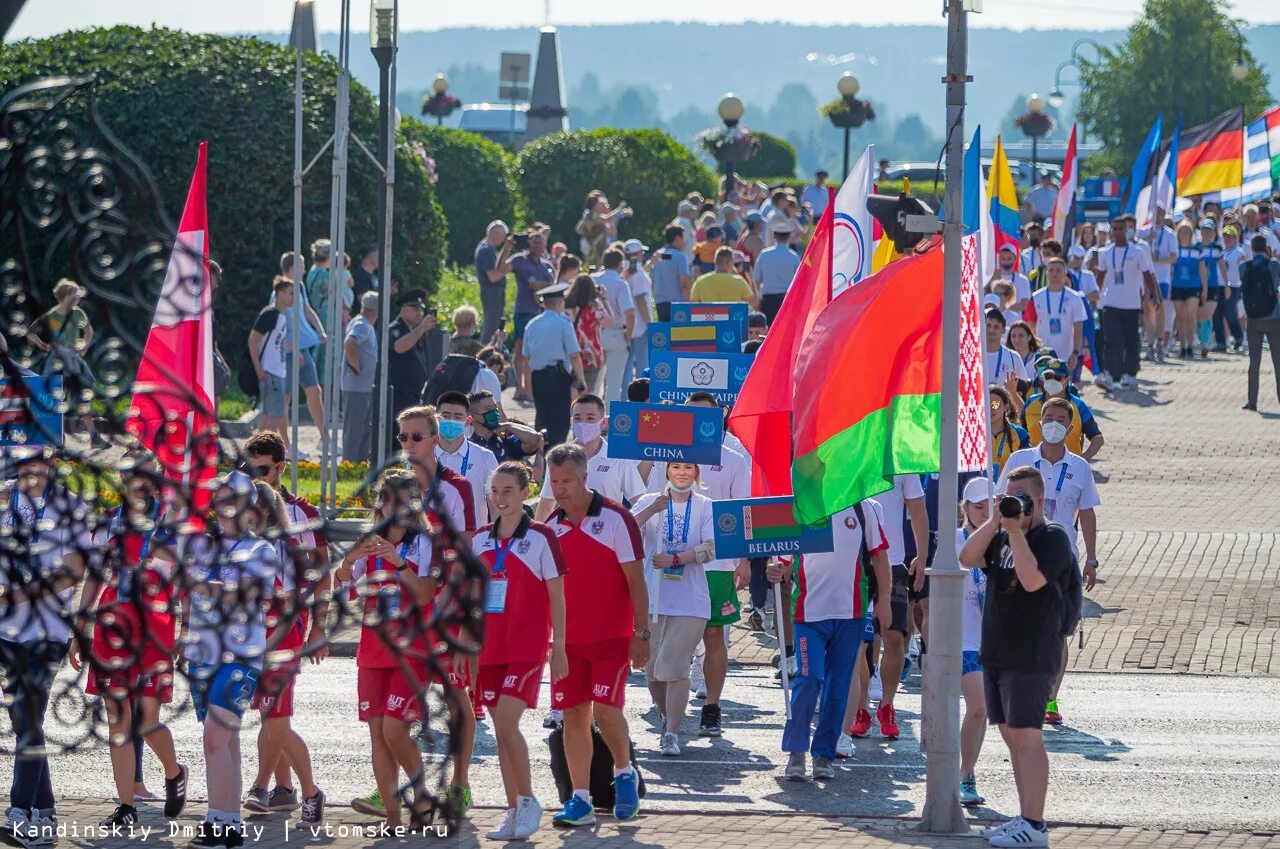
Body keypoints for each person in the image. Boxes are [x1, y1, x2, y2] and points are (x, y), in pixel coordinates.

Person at [959, 467, 1075, 849]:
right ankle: (1025, 817)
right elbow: (966, 556)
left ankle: (1036, 826)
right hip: (998, 650)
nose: (1015, 506)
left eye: (1022, 499)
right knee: (1011, 736)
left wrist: (1013, 531)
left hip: (1032, 652)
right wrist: (995, 521)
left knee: (1028, 736)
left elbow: (1031, 580)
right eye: (1009, 497)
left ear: (1039, 501)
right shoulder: (1003, 532)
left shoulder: (1052, 537)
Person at [72, 449, 188, 829]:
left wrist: (184, 631)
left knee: (145, 721)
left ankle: (174, 772)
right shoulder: (108, 523)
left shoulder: (169, 522)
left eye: (144, 475)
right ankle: (126, 806)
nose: (136, 482)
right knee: (117, 719)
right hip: (112, 625)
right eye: (129, 475)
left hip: (154, 626)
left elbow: (182, 581)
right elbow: (93, 575)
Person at [543, 445, 648, 827]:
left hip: (611, 639)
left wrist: (642, 632)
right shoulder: (550, 527)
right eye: (554, 481)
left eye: (567, 480)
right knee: (573, 715)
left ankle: (624, 774)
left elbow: (636, 579)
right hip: (568, 644)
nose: (560, 489)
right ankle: (581, 798)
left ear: (585, 477)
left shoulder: (617, 518)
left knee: (605, 711)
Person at [334, 472, 440, 829]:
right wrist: (348, 562)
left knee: (396, 730)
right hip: (374, 649)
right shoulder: (370, 540)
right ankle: (394, 817)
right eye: (387, 500)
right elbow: (343, 587)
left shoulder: (426, 543)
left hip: (413, 652)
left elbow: (425, 594)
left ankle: (422, 796)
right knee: (378, 734)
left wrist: (399, 562)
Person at [182, 472, 280, 848]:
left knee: (213, 739)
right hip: (202, 653)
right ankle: (229, 822)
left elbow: (240, 596)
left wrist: (201, 583)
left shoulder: (261, 551)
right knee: (225, 742)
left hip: (240, 657)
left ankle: (215, 821)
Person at [472, 463, 569, 840]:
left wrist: (558, 646)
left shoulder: (542, 537)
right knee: (499, 730)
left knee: (508, 723)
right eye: (495, 490)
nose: (500, 498)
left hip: (526, 648)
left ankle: (528, 801)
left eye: (508, 490)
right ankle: (512, 808)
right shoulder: (480, 539)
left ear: (525, 493)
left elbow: (557, 596)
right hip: (488, 648)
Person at [0, 447, 91, 845]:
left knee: (29, 713)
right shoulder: (6, 502)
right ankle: (46, 810)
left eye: (36, 462)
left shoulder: (69, 505)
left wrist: (25, 596)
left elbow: (75, 570)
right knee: (25, 721)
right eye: (20, 463)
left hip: (48, 630)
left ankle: (20, 809)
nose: (28, 469)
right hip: (7, 630)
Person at [242, 433, 328, 825]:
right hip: (250, 630)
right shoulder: (241, 511)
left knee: (275, 716)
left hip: (285, 628)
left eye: (262, 469)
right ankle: (291, 791)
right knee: (270, 716)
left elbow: (321, 574)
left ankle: (263, 786)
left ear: (281, 466)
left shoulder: (301, 513)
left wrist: (319, 628)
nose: (254, 476)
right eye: (249, 468)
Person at [772, 496, 890, 776]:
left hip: (850, 614)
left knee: (839, 685)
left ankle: (823, 754)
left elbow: (880, 556)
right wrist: (776, 570)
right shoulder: (800, 506)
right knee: (809, 677)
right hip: (808, 614)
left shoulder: (865, 508)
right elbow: (782, 561)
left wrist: (884, 600)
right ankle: (796, 751)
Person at [999, 397, 1099, 726]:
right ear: (1038, 423)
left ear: (1070, 428)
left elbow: (1086, 512)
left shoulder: (1080, 468)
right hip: (1020, 555)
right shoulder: (1021, 460)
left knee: (1057, 634)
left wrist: (1092, 560)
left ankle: (1050, 698)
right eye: (1048, 418)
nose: (1053, 424)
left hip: (1062, 561)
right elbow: (1000, 502)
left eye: (1060, 419)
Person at [631, 463, 715, 757]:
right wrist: (652, 509)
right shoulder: (648, 501)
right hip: (651, 599)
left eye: (688, 467)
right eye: (675, 467)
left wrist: (677, 559)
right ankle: (668, 714)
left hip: (690, 600)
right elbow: (625, 532)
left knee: (675, 663)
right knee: (652, 670)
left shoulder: (705, 505)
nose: (681, 472)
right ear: (666, 471)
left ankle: (671, 732)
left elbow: (710, 547)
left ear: (696, 472)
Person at [855, 475, 926, 741]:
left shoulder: (900, 459)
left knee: (894, 637)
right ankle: (861, 708)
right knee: (860, 641)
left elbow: (918, 509)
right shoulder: (853, 452)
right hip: (857, 558)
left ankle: (887, 705)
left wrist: (921, 554)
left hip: (894, 560)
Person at [533, 394, 646, 522]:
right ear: (571, 422)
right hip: (568, 534)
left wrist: (626, 528)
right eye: (578, 418)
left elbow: (640, 501)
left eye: (590, 418)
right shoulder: (558, 458)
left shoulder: (619, 458)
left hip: (606, 535)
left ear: (603, 423)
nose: (583, 424)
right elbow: (546, 506)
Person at [24, 279, 107, 449]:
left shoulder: (78, 313)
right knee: (55, 399)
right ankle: (56, 437)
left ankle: (94, 436)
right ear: (65, 296)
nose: (77, 298)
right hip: (56, 362)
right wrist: (42, 345)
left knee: (83, 398)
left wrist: (84, 346)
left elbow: (88, 331)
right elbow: (30, 332)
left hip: (73, 362)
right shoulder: (51, 315)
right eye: (74, 295)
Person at [954, 477, 993, 806]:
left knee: (980, 711)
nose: (984, 512)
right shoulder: (952, 542)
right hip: (956, 641)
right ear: (965, 508)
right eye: (978, 506)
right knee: (970, 708)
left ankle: (966, 772)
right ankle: (955, 772)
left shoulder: (1004, 541)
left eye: (989, 506)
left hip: (989, 643)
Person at [1094, 217, 1157, 390]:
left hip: (1131, 304)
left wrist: (1153, 295)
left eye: (1121, 229)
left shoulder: (1137, 252)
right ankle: (1113, 375)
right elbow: (1100, 276)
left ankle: (1130, 373)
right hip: (1110, 302)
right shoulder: (1105, 252)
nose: (1117, 232)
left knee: (1131, 340)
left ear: (1127, 231)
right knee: (1114, 340)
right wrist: (1094, 296)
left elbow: (1147, 275)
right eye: (1114, 229)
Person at [522, 282, 589, 447]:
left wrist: (526, 384)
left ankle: (542, 453)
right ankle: (555, 456)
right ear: (560, 303)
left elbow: (526, 357)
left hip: (538, 377)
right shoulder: (563, 324)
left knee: (542, 418)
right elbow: (574, 355)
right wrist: (581, 380)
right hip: (558, 377)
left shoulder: (532, 324)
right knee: (559, 421)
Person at [276, 252, 329, 454]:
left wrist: (320, 331)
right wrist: (291, 347)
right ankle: (286, 446)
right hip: (288, 351)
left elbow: (307, 310)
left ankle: (325, 439)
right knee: (285, 397)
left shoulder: (299, 287)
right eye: (302, 266)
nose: (305, 270)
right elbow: (279, 326)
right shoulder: (280, 292)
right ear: (291, 269)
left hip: (303, 348)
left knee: (315, 391)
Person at [434, 391, 499, 524]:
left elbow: (495, 506)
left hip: (472, 540)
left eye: (458, 417)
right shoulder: (423, 456)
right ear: (435, 419)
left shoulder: (485, 457)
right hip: (431, 541)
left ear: (468, 421)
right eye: (445, 416)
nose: (451, 421)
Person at [1022, 359, 1104, 460]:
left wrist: (1084, 458)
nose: (1052, 380)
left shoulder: (1078, 405)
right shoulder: (1031, 402)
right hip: (1036, 465)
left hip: (1069, 467)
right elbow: (1019, 434)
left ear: (1067, 380)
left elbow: (1097, 438)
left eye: (1057, 377)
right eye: (1048, 377)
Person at [510, 229, 557, 403]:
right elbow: (501, 269)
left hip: (540, 312)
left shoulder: (547, 265)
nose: (538, 245)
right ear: (529, 242)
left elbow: (552, 286)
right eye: (535, 241)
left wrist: (539, 285)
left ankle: (529, 389)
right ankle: (519, 387)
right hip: (523, 310)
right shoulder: (520, 260)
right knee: (520, 349)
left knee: (533, 351)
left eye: (541, 242)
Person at [248, 279, 294, 452]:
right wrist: (259, 368)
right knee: (277, 414)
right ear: (279, 293)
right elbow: (253, 341)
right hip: (270, 372)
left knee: (268, 415)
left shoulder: (281, 316)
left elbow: (277, 342)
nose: (294, 297)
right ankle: (263, 452)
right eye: (290, 293)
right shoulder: (270, 314)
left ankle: (254, 452)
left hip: (277, 371)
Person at [386, 288, 439, 430]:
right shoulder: (395, 329)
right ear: (403, 308)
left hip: (415, 394)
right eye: (414, 308)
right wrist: (420, 329)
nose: (419, 312)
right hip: (399, 395)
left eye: (421, 308)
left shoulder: (416, 331)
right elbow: (398, 346)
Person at [1240, 234, 1280, 411]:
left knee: (1254, 362)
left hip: (1253, 318)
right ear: (1266, 248)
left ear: (1252, 249)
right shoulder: (1274, 265)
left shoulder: (1244, 267)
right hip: (1273, 317)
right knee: (1278, 361)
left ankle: (1252, 401)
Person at [593, 249, 637, 402]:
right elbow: (630, 313)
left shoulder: (592, 279)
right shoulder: (620, 284)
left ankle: (588, 418)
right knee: (613, 384)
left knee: (594, 383)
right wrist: (629, 335)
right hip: (616, 332)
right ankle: (609, 420)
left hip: (594, 332)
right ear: (620, 264)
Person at [1029, 258, 1086, 376]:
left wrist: (1075, 353)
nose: (1055, 274)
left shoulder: (1074, 298)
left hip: (1066, 354)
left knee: (1065, 391)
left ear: (1065, 273)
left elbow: (1078, 327)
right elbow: (1031, 325)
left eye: (1059, 270)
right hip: (1042, 355)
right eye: (1051, 270)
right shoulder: (1035, 297)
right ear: (1046, 273)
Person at [341, 292, 379, 463]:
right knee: (355, 430)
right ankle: (349, 465)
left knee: (363, 430)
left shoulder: (364, 323)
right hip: (356, 388)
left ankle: (360, 464)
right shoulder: (362, 324)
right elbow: (350, 342)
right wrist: (355, 365)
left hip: (362, 388)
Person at [467, 390, 544, 472]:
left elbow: (535, 439)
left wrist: (509, 426)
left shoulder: (505, 442)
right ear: (472, 416)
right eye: (488, 409)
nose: (494, 412)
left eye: (495, 408)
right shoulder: (467, 445)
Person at [563, 255, 609, 396]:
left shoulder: (566, 306)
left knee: (573, 386)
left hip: (570, 351)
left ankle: (571, 411)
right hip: (591, 353)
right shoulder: (594, 306)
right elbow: (610, 322)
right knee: (588, 390)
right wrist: (604, 298)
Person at [1140, 206, 1177, 361]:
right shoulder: (1143, 231)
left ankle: (1160, 342)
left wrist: (1159, 259)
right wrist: (1149, 238)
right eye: (1156, 211)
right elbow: (1136, 247)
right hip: (1146, 278)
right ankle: (1150, 343)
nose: (1158, 215)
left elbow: (1173, 257)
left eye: (1161, 212)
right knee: (1148, 312)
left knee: (1160, 310)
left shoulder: (1169, 234)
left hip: (1162, 278)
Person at [1169, 221, 1205, 359]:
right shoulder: (1175, 251)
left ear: (1191, 234)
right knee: (1180, 318)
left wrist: (1204, 289)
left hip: (1193, 287)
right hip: (1177, 287)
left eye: (1187, 232)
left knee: (1191, 316)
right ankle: (1183, 347)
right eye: (1182, 232)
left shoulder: (1197, 251)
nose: (1184, 235)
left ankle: (1190, 346)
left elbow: (1202, 271)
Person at [475, 221, 516, 345]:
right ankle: (484, 353)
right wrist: (509, 268)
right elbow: (492, 277)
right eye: (503, 236)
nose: (503, 239)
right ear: (495, 234)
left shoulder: (486, 248)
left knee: (493, 325)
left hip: (491, 292)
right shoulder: (487, 250)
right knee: (491, 327)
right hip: (492, 291)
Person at [754, 218, 802, 323]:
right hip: (787, 299)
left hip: (768, 299)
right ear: (789, 236)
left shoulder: (764, 254)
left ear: (774, 236)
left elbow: (756, 279)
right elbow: (799, 281)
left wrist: (758, 298)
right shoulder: (794, 256)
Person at [621, 238, 653, 392]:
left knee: (626, 364)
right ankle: (642, 394)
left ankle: (624, 394)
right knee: (642, 363)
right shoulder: (638, 273)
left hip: (628, 323)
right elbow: (640, 299)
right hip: (640, 324)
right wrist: (649, 323)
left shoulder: (623, 271)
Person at [1192, 218, 1224, 358]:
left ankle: (1206, 343)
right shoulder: (1196, 247)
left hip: (1213, 286)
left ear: (1213, 232)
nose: (1206, 232)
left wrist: (1227, 285)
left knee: (1207, 314)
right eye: (1204, 229)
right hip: (1197, 285)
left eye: (1209, 230)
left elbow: (1222, 267)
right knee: (1199, 316)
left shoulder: (1217, 248)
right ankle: (1202, 341)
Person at [691, 246, 758, 308]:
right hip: (731, 320)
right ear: (730, 263)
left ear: (715, 261)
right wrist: (751, 279)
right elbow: (754, 302)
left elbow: (693, 305)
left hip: (710, 319)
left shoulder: (700, 281)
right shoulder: (739, 281)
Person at [650, 225, 691, 323]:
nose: (683, 241)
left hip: (660, 305)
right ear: (677, 238)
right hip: (677, 305)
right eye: (682, 238)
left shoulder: (657, 256)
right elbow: (684, 283)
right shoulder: (680, 257)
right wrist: (689, 303)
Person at [1215, 225, 1246, 352]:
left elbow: (1243, 266)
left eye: (1230, 237)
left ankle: (1238, 336)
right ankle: (1221, 342)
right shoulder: (1222, 252)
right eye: (1225, 236)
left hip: (1233, 286)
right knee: (1217, 314)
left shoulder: (1239, 252)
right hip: (1220, 285)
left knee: (1230, 312)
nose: (1227, 239)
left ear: (1236, 238)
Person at [990, 385, 1030, 480]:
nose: (990, 409)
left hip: (1009, 489)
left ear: (1006, 407)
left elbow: (1025, 467)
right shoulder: (972, 434)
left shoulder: (1019, 434)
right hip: (978, 491)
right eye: (985, 404)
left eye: (995, 404)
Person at [984, 308, 1029, 387]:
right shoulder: (974, 356)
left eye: (996, 327)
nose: (991, 330)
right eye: (988, 325)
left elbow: (1024, 388)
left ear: (1004, 330)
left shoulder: (1013, 357)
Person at [992, 247, 1031, 313]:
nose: (1006, 261)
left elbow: (1024, 304)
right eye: (1003, 259)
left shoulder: (1023, 280)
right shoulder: (994, 279)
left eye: (1009, 258)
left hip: (1015, 320)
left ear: (1015, 259)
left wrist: (1005, 309)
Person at [349, 245, 379, 317]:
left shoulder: (375, 276)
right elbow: (362, 299)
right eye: (378, 254)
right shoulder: (359, 274)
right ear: (369, 255)